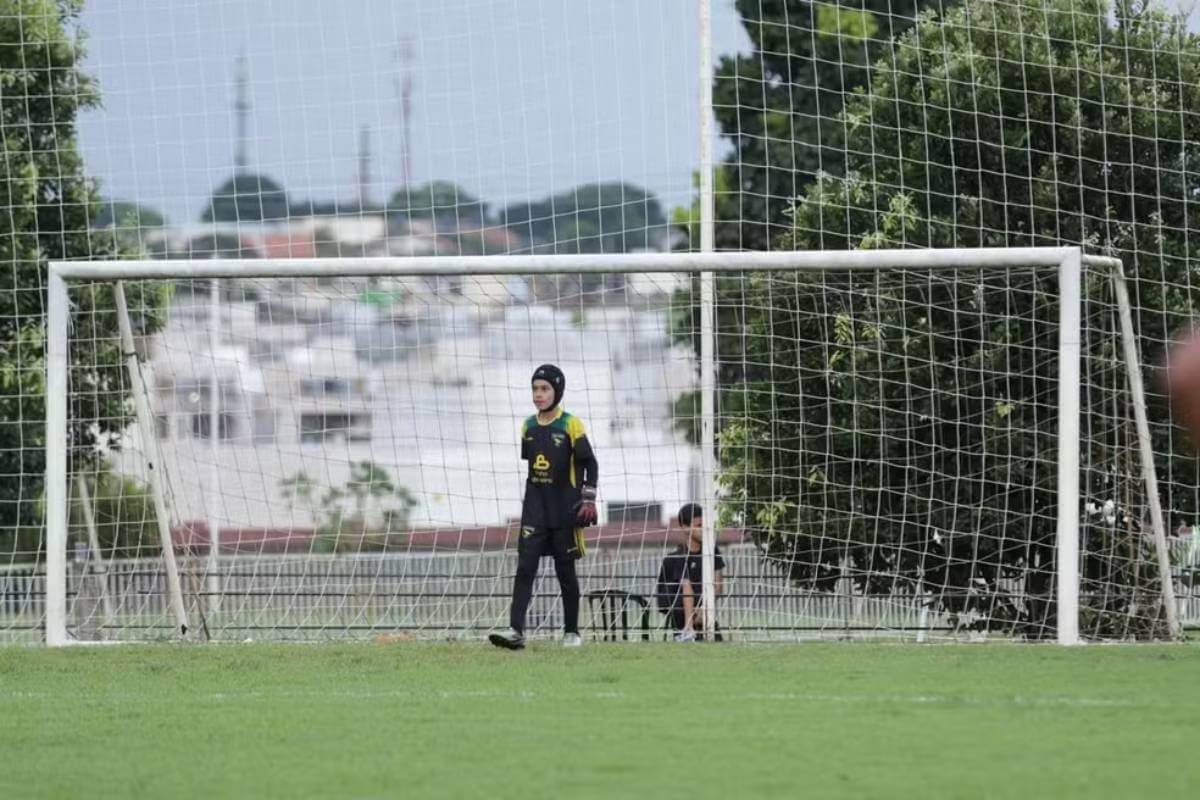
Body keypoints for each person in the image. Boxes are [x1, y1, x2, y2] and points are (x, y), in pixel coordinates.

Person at [489, 364, 598, 650]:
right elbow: (534, 465)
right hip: (535, 509)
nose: (539, 394)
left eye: (545, 389)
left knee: (565, 571)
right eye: (535, 389)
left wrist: (588, 497)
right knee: (525, 567)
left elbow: (590, 463)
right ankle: (515, 630)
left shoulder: (571, 424)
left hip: (565, 510)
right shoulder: (528, 426)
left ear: (557, 391)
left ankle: (572, 632)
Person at [655, 503, 724, 641]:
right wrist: (692, 617)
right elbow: (685, 586)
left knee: (716, 642)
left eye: (705, 525)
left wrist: (704, 607)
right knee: (684, 589)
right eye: (699, 526)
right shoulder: (678, 556)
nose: (703, 529)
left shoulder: (712, 551)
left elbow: (718, 585)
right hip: (678, 606)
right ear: (685, 527)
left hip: (703, 606)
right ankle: (687, 631)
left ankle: (695, 630)